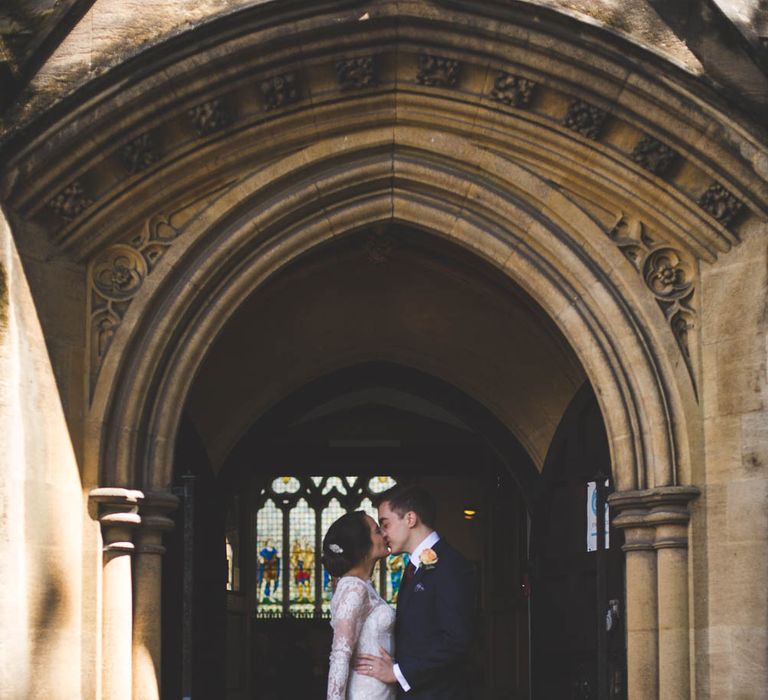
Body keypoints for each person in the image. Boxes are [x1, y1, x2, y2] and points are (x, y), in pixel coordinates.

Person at [355, 485, 475, 699]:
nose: (382, 534)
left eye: (385, 524)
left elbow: (457, 641)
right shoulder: (413, 566)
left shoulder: (451, 566)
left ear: (410, 519)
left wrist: (398, 672)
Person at [324, 510, 395, 699]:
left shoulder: (363, 585)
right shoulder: (353, 588)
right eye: (377, 531)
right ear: (363, 544)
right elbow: (340, 655)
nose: (384, 534)